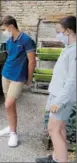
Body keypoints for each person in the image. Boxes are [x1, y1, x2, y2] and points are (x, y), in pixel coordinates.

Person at [35, 16, 76, 163]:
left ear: (68, 31)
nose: (57, 35)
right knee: (60, 129)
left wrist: (59, 102)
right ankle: (55, 158)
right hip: (57, 95)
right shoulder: (69, 48)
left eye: (59, 31)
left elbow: (72, 81)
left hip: (61, 98)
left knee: (54, 130)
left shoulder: (74, 52)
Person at [0, 15, 37, 147]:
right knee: (10, 105)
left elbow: (32, 61)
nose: (3, 32)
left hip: (18, 77)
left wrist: (29, 79)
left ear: (11, 27)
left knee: (8, 104)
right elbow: (10, 57)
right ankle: (11, 129)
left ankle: (14, 134)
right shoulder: (9, 41)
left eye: (4, 29)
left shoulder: (26, 40)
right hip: (6, 75)